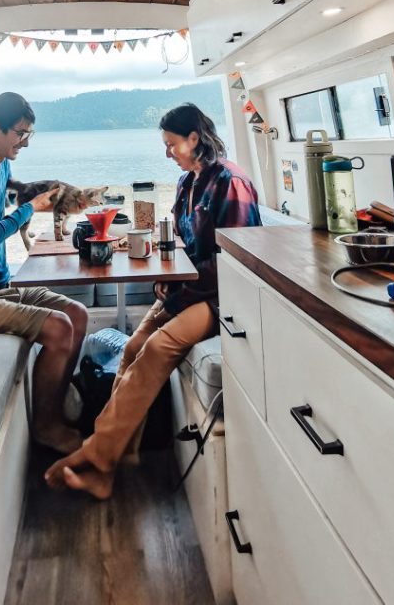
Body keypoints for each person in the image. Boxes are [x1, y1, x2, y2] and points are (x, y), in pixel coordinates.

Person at [46, 102, 260, 498]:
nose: (167, 152)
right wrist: (165, 278)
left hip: (224, 297)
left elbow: (233, 261)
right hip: (187, 289)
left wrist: (179, 289)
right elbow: (182, 245)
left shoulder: (230, 182)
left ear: (194, 138)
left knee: (159, 347)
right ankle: (112, 463)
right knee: (132, 349)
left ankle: (96, 456)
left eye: (171, 144)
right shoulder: (185, 183)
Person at [0, 91, 88, 454]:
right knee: (59, 327)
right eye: (20, 133)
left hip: (1, 286)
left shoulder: (2, 168)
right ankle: (45, 426)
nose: (24, 142)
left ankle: (55, 400)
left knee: (78, 315)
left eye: (29, 134)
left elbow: (4, 211)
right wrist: (29, 210)